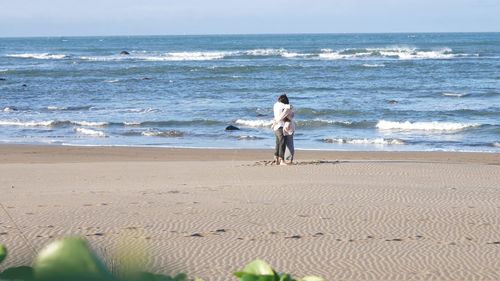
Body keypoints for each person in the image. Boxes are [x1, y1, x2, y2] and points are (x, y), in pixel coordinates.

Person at [272, 94, 295, 165]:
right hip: (280, 126)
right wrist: (288, 107)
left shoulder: (275, 105)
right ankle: (281, 160)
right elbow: (290, 106)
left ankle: (276, 159)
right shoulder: (281, 105)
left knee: (278, 143)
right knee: (282, 143)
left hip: (276, 126)